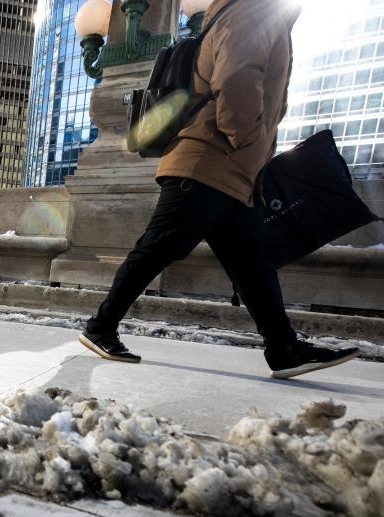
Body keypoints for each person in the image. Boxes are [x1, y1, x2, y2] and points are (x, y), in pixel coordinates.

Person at [78, 0, 359, 380]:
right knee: (160, 247)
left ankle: (283, 347)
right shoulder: (252, 10)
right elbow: (237, 77)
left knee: (252, 263)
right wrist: (246, 139)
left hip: (231, 168)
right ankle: (100, 327)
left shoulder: (257, 12)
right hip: (209, 161)